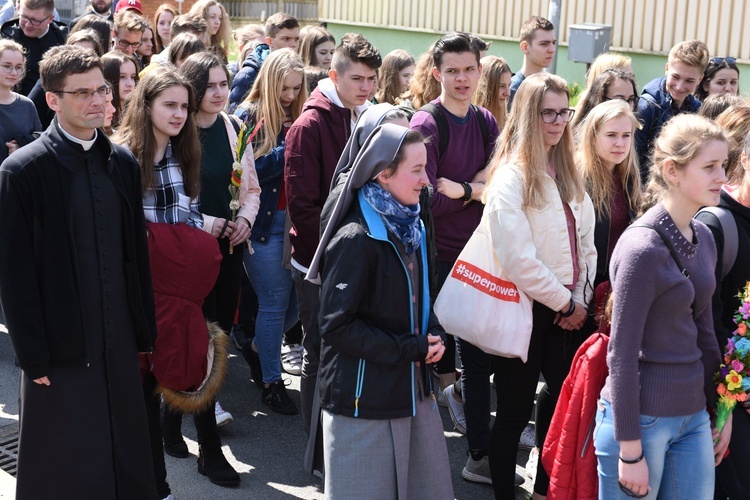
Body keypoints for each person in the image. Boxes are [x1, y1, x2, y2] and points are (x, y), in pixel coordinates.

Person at [0, 44, 157, 498]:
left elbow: (135, 256)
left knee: (123, 450)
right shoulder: (22, 171)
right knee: (63, 459)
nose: (98, 101)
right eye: (83, 93)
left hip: (119, 337)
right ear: (53, 100)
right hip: (59, 344)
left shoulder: (122, 161)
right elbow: (14, 275)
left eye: (102, 90)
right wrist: (33, 356)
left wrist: (144, 332)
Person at [114, 64, 243, 489]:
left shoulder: (183, 152)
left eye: (184, 107)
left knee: (187, 359)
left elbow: (186, 216)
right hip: (141, 284)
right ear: (145, 104)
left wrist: (203, 234)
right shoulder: (121, 155)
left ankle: (195, 453)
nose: (178, 114)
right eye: (169, 105)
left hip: (181, 280)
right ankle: (154, 483)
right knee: (143, 384)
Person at [595, 113, 731, 499]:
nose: (722, 176)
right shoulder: (642, 248)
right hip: (640, 422)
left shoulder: (704, 236)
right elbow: (620, 354)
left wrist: (721, 411)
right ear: (671, 170)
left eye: (723, 164)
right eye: (709, 167)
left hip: (694, 419)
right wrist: (630, 450)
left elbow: (706, 332)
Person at [314, 123, 454, 500]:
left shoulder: (413, 226)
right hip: (363, 403)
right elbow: (335, 325)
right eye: (417, 169)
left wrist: (434, 333)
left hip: (413, 392)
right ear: (383, 174)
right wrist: (411, 347)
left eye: (427, 168)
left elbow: (422, 295)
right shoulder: (355, 238)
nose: (427, 179)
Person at [482, 72, 596, 499]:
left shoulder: (568, 170)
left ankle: (547, 487)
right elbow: (517, 259)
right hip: (525, 307)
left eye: (563, 111)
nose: (557, 121)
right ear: (528, 115)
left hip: (568, 310)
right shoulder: (511, 176)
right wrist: (566, 303)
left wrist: (578, 300)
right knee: (513, 412)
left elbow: (584, 244)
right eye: (547, 112)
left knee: (561, 402)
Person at [409, 32, 500, 485]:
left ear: (480, 71)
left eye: (469, 69)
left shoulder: (485, 121)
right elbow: (427, 202)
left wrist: (466, 187)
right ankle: (421, 461)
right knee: (433, 348)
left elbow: (500, 185)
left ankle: (479, 453)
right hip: (437, 255)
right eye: (452, 71)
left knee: (478, 354)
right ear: (436, 74)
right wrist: (478, 189)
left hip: (479, 252)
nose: (462, 79)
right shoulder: (427, 125)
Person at [284, 32, 381, 433]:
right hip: (317, 263)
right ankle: (316, 445)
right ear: (333, 75)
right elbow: (303, 208)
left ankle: (345, 434)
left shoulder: (372, 115)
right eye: (357, 78)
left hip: (361, 257)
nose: (366, 87)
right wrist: (325, 262)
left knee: (352, 352)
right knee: (319, 351)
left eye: (372, 79)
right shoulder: (309, 124)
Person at [180, 50, 261, 427]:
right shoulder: (179, 132)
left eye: (223, 84)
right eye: (208, 86)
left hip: (230, 248)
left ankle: (204, 395)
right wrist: (210, 222)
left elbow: (252, 189)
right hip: (193, 247)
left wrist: (245, 218)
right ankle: (202, 403)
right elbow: (170, 199)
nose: (218, 92)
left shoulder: (234, 128)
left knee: (221, 325)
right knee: (198, 323)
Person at [234, 47, 306, 414]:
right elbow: (245, 174)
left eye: (297, 88)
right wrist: (291, 147)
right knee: (275, 305)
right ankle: (271, 382)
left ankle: (259, 347)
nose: (290, 96)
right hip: (261, 227)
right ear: (269, 82)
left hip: (297, 225)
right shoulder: (247, 116)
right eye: (284, 88)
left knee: (295, 309)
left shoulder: (301, 115)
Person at [695, 129, 750, 500]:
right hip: (727, 398)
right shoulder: (715, 224)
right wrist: (724, 408)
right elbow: (703, 323)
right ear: (744, 159)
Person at [576, 100, 642, 286]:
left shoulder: (630, 177)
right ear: (593, 136)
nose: (620, 143)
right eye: (611, 135)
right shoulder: (577, 179)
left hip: (619, 281)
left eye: (626, 135)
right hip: (584, 286)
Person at [635, 40, 708, 183]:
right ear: (667, 68)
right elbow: (634, 159)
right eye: (676, 77)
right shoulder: (647, 106)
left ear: (700, 79)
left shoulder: (697, 110)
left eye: (689, 81)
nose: (680, 87)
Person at [228, 12, 300, 113]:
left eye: (296, 39)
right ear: (269, 41)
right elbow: (235, 116)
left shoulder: (298, 70)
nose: (293, 44)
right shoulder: (248, 74)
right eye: (286, 39)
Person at [0, 0, 68, 96]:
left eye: (35, 21)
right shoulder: (6, 36)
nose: (28, 25)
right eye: (24, 17)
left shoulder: (63, 39)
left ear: (50, 19)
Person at [0, 39, 41, 163]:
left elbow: (40, 141)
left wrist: (22, 147)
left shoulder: (27, 105)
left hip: (14, 178)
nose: (13, 73)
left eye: (18, 67)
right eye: (7, 66)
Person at [507, 15, 556, 109]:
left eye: (553, 43)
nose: (552, 49)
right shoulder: (513, 90)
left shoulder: (553, 88)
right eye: (544, 44)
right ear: (525, 47)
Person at [571, 68, 639, 131]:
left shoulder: (633, 131)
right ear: (600, 100)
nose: (627, 106)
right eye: (620, 99)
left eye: (631, 99)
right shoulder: (583, 138)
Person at [101, 51, 138, 130]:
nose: (130, 84)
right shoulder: (100, 117)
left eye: (132, 77)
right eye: (122, 77)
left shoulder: (138, 113)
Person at [473, 55, 512, 130]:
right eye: (501, 86)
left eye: (509, 85)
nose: (507, 93)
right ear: (485, 87)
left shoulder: (509, 126)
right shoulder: (471, 123)